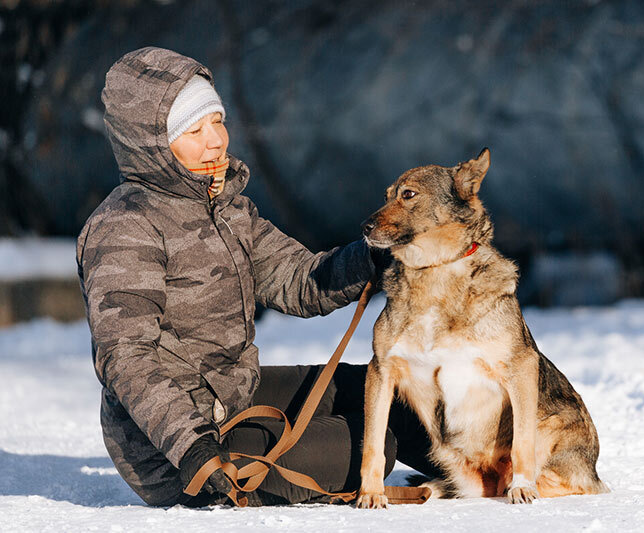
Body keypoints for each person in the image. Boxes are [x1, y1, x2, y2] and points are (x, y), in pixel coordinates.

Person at [76, 47, 435, 507]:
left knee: (388, 392)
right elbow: (125, 354)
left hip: (231, 394)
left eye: (217, 121)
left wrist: (370, 258)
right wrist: (191, 447)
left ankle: (492, 463)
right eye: (194, 129)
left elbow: (301, 280)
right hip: (174, 454)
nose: (216, 141)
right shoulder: (125, 226)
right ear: (151, 143)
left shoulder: (229, 209)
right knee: (374, 445)